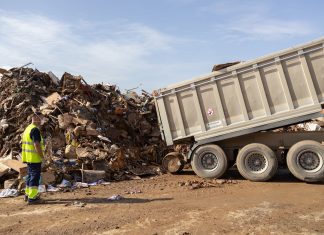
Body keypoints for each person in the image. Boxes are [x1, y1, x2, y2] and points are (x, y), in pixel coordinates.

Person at [21, 112, 45, 204]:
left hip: (28, 158)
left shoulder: (28, 128)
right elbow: (37, 145)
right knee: (35, 177)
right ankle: (32, 198)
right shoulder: (35, 130)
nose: (41, 120)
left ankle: (28, 194)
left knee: (30, 176)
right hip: (35, 158)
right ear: (35, 118)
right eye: (41, 118)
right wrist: (42, 157)